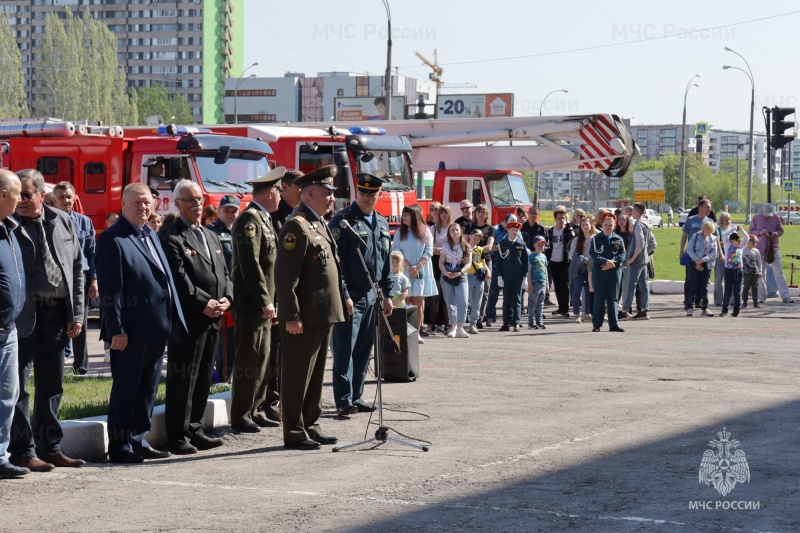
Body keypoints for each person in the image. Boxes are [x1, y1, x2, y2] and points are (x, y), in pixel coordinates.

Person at [96, 182, 187, 464]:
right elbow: (111, 291)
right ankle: (120, 445)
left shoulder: (151, 235)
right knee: (126, 388)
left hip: (155, 328)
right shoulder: (113, 238)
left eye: (147, 202)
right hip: (129, 333)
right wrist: (117, 330)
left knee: (147, 388)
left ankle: (138, 438)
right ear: (123, 204)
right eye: (136, 203)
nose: (143, 207)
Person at [9, 169, 85, 472]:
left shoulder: (62, 220)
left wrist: (76, 313)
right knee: (18, 387)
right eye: (17, 195)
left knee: (52, 383)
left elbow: (77, 268)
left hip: (56, 314)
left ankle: (51, 447)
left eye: (27, 194)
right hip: (22, 316)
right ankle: (23, 451)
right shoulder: (8, 224)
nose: (21, 201)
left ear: (43, 195)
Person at [276, 165, 347, 450]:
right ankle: (294, 430)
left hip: (322, 313)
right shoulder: (297, 225)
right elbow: (285, 277)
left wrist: (342, 299)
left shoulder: (318, 223)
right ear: (310, 193)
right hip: (303, 316)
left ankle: (311, 423)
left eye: (332, 193)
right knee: (297, 373)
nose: (332, 198)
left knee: (315, 373)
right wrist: (292, 316)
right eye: (327, 193)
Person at [159, 181, 232, 454]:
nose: (196, 204)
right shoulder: (172, 236)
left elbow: (224, 273)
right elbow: (179, 280)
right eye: (189, 200)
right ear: (176, 204)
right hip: (188, 319)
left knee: (203, 376)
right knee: (183, 377)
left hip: (214, 316)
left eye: (199, 199)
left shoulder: (211, 234)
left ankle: (195, 428)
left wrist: (228, 299)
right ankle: (177, 434)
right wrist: (205, 302)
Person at [330, 173, 393, 417]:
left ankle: (357, 395)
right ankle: (344, 400)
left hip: (372, 293)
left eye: (372, 193)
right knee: (345, 348)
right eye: (363, 192)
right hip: (351, 295)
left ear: (379, 195)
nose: (367, 197)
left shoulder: (382, 222)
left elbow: (385, 262)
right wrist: (344, 293)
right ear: (357, 193)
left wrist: (387, 293)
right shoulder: (343, 220)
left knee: (364, 349)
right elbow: (337, 264)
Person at [228, 167, 285, 433]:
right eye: (279, 192)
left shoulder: (264, 220)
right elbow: (251, 265)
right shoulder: (249, 220)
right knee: (249, 359)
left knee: (262, 357)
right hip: (253, 304)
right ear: (270, 193)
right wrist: (265, 300)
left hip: (264, 304)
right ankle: (241, 414)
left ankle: (257, 408)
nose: (281, 197)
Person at [0, 170, 29, 479]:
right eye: (18, 193)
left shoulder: (10, 229)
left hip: (10, 331)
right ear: (3, 195)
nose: (21, 199)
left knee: (8, 395)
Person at [53, 181, 98, 376]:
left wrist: (95, 280)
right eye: (61, 198)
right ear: (54, 200)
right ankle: (57, 367)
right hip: (58, 278)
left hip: (81, 277)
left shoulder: (84, 222)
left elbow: (92, 253)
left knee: (80, 322)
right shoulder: (48, 221)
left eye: (69, 197)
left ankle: (81, 368)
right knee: (58, 323)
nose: (66, 201)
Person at [392, 204, 437, 342]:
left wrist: (417, 266)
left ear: (414, 216)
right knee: (406, 300)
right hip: (405, 269)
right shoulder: (400, 231)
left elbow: (429, 250)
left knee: (418, 302)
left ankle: (416, 332)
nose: (403, 217)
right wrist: (409, 267)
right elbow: (396, 250)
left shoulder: (425, 230)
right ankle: (405, 331)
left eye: (406, 214)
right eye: (403, 214)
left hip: (421, 269)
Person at [207, 194, 239, 382]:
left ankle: (234, 377)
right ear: (219, 211)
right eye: (226, 210)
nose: (230, 213)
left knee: (237, 340)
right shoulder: (211, 231)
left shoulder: (241, 230)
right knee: (224, 342)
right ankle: (223, 379)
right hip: (222, 293)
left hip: (240, 293)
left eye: (234, 210)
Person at [749, 203, 794, 304]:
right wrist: (760, 232)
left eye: (770, 214)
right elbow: (750, 232)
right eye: (766, 214)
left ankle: (786, 296)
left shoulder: (776, 217)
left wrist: (776, 234)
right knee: (761, 274)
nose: (768, 216)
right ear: (762, 210)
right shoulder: (756, 218)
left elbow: (781, 230)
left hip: (773, 249)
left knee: (779, 273)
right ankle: (762, 296)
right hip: (760, 249)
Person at [589, 212, 626, 333]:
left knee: (613, 298)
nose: (608, 227)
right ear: (602, 225)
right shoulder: (596, 239)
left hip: (614, 272)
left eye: (610, 225)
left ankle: (613, 324)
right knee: (598, 298)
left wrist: (611, 264)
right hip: (599, 272)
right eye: (606, 224)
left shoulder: (618, 239)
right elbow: (593, 254)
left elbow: (622, 255)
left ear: (614, 226)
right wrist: (605, 262)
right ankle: (596, 324)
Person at [620, 203, 652, 321]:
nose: (631, 213)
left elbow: (640, 243)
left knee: (631, 285)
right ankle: (643, 310)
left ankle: (624, 310)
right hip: (643, 259)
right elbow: (652, 243)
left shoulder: (639, 224)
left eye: (633, 211)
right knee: (643, 285)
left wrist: (632, 259)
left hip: (637, 260)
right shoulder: (647, 224)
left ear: (637, 211)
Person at [496, 217, 528, 332]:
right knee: (506, 300)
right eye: (512, 230)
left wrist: (525, 277)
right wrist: (499, 276)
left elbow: (525, 262)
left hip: (518, 276)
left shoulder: (521, 244)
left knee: (517, 300)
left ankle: (517, 323)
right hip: (506, 276)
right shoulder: (502, 244)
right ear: (508, 230)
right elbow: (498, 262)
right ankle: (505, 323)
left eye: (516, 230)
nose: (514, 232)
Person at [680, 199, 713, 311]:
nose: (709, 209)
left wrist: (720, 254)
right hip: (691, 255)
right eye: (707, 207)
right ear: (700, 207)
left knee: (703, 279)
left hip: (705, 257)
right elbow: (684, 235)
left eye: (710, 207)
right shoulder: (690, 220)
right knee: (690, 278)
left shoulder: (710, 221)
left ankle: (699, 301)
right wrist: (681, 250)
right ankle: (688, 301)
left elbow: (715, 239)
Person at [439, 223, 471, 338]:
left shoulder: (466, 246)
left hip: (460, 275)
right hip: (447, 274)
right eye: (452, 230)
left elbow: (468, 263)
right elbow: (441, 262)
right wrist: (445, 273)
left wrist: (460, 272)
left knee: (463, 301)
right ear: (449, 233)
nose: (455, 232)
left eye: (457, 230)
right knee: (450, 302)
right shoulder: (446, 246)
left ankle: (461, 327)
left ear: (460, 231)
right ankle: (453, 327)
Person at [424, 204, 451, 337]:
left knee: (446, 296)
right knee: (434, 296)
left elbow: (457, 244)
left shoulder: (452, 228)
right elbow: (430, 248)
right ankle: (431, 325)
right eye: (441, 213)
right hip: (434, 263)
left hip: (449, 263)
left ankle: (445, 324)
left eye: (446, 213)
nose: (443, 215)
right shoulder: (433, 228)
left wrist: (443, 251)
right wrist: (444, 251)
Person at [545, 206, 575, 318]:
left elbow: (573, 237)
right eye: (559, 218)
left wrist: (567, 223)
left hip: (564, 261)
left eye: (563, 218)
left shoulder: (567, 230)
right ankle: (560, 307)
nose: (561, 220)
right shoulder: (551, 231)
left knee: (565, 284)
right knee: (557, 285)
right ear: (555, 219)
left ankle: (565, 309)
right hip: (553, 260)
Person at [469, 204, 495, 328]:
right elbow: (465, 244)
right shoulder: (470, 227)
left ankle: (479, 317)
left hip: (485, 262)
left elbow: (489, 247)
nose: (480, 214)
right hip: (470, 261)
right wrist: (475, 250)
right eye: (478, 211)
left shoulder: (490, 229)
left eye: (483, 212)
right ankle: (470, 316)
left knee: (484, 290)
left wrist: (475, 249)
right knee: (469, 291)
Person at [685, 220, 719, 317]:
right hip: (695, 263)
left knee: (704, 287)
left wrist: (703, 260)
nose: (708, 233)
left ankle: (705, 307)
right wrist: (697, 260)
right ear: (703, 229)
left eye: (711, 231)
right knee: (693, 285)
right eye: (707, 231)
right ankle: (690, 307)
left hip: (706, 264)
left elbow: (714, 253)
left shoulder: (713, 238)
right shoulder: (696, 236)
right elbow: (689, 249)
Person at [569, 217, 596, 323]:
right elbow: (571, 254)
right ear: (580, 227)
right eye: (583, 225)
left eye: (587, 224)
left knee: (589, 291)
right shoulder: (577, 239)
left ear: (591, 225)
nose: (585, 226)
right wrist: (582, 259)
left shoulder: (596, 238)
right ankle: (576, 314)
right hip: (579, 269)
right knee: (576, 292)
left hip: (592, 269)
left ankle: (587, 313)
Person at [713, 212, 742, 307]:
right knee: (718, 278)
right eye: (726, 220)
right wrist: (723, 246)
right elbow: (717, 242)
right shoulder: (717, 230)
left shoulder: (732, 231)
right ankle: (718, 300)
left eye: (729, 220)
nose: (728, 222)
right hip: (720, 257)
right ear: (721, 220)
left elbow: (737, 243)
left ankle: (732, 299)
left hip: (732, 258)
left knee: (731, 279)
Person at [466, 228, 490, 334]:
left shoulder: (480, 250)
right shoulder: (464, 248)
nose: (476, 240)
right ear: (470, 236)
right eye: (474, 237)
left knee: (477, 301)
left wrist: (488, 271)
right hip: (467, 276)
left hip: (479, 277)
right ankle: (460, 323)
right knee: (464, 301)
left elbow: (483, 263)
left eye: (478, 238)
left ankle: (473, 324)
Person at [720, 232, 746, 318]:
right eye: (737, 240)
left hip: (738, 271)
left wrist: (741, 229)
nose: (739, 242)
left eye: (739, 240)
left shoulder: (740, 247)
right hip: (729, 270)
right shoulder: (727, 245)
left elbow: (747, 238)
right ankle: (724, 310)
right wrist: (734, 228)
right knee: (728, 291)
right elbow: (724, 235)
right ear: (732, 241)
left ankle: (736, 310)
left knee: (737, 292)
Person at [526, 235, 548, 330]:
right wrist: (529, 283)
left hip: (542, 282)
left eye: (542, 244)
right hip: (535, 282)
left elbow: (545, 270)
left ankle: (540, 321)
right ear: (534, 245)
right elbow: (529, 271)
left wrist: (547, 283)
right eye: (539, 244)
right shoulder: (532, 256)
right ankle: (531, 321)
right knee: (533, 303)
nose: (541, 246)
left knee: (541, 303)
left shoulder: (544, 256)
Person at [741, 234, 763, 309]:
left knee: (755, 287)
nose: (755, 244)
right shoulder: (743, 250)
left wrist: (760, 271)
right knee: (746, 287)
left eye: (756, 242)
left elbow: (759, 262)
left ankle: (755, 302)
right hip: (746, 273)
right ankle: (744, 301)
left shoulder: (756, 251)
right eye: (753, 242)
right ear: (748, 241)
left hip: (754, 272)